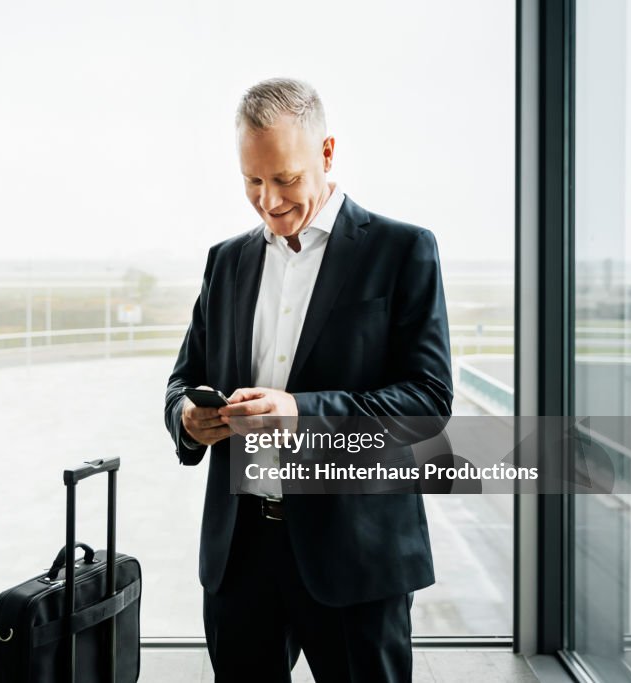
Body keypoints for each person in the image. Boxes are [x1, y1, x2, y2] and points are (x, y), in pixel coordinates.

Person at [163, 78, 453, 682]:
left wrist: (299, 411)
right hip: (240, 555)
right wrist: (188, 421)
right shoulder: (226, 261)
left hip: (356, 555)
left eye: (286, 179)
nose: (268, 200)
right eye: (252, 180)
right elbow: (183, 379)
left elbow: (426, 403)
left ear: (326, 154)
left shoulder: (402, 251)